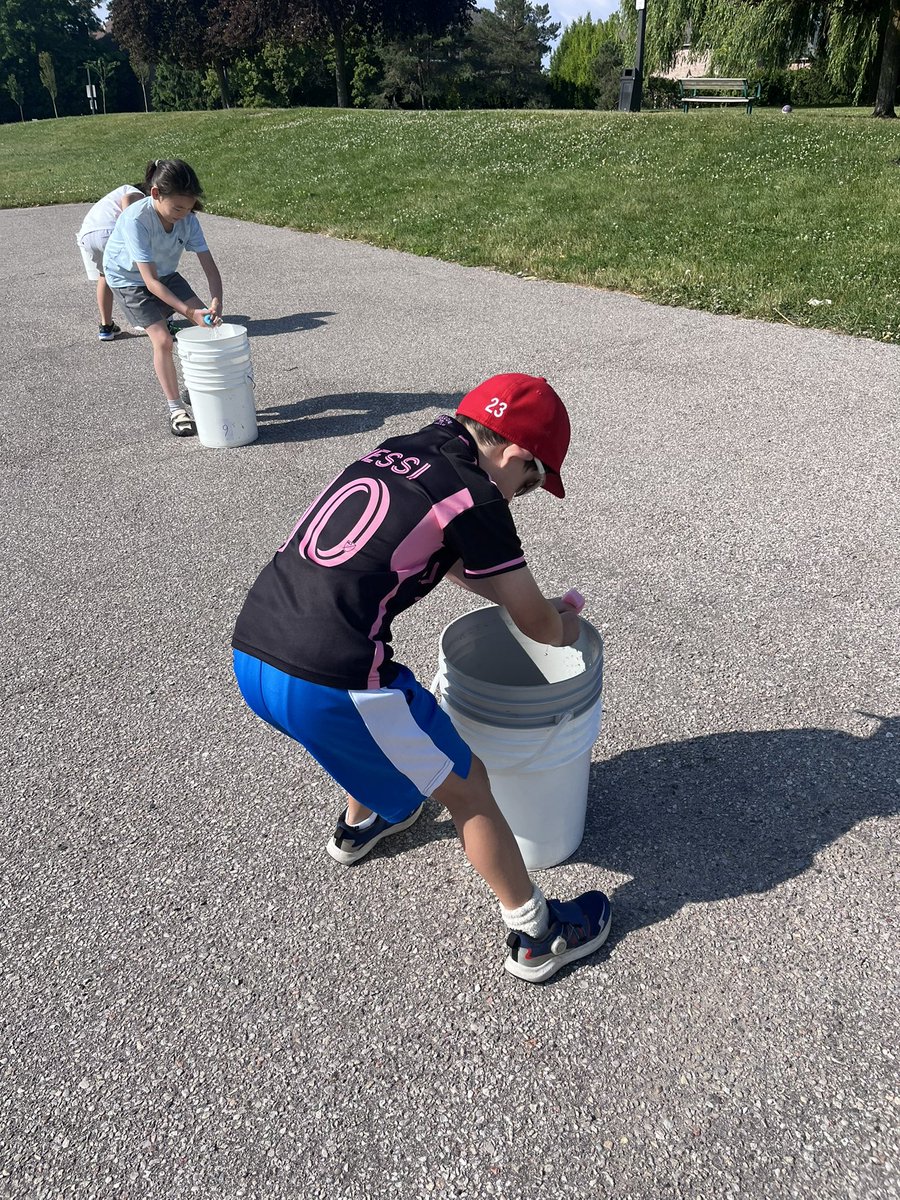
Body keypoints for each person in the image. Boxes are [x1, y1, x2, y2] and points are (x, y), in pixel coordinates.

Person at [231, 373, 612, 984]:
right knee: (469, 785)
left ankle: (362, 824)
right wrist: (559, 625)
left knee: (376, 737)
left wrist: (521, 603)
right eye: (530, 481)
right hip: (335, 679)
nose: (521, 495)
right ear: (514, 454)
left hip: (255, 652)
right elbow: (541, 627)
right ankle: (538, 935)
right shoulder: (478, 495)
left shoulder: (410, 448)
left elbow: (444, 556)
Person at [102, 159, 224, 438]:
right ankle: (176, 409)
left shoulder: (188, 219)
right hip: (128, 278)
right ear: (156, 194)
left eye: (189, 208)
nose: (183, 214)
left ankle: (197, 387)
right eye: (177, 208)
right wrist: (188, 312)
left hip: (165, 273)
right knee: (163, 340)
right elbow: (150, 282)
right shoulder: (136, 219)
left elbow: (210, 268)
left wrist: (215, 302)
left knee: (209, 325)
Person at [75, 181, 147, 341]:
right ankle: (147, 319)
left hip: (88, 235)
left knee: (104, 275)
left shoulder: (113, 195)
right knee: (140, 272)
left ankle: (106, 326)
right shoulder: (137, 193)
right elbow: (128, 203)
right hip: (110, 232)